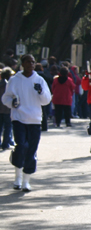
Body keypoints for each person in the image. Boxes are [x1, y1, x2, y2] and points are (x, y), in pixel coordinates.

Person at [1, 54, 52, 191]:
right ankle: (17, 177)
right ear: (22, 64)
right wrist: (12, 103)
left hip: (34, 119)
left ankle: (26, 181)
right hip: (19, 118)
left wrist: (41, 92)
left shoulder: (39, 80)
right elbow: (5, 98)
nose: (31, 64)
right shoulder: (14, 80)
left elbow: (46, 100)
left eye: (33, 62)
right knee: (22, 145)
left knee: (31, 150)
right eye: (28, 62)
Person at [1, 67, 16, 149]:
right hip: (7, 109)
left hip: (0, 109)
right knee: (8, 127)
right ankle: (6, 142)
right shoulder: (9, 85)